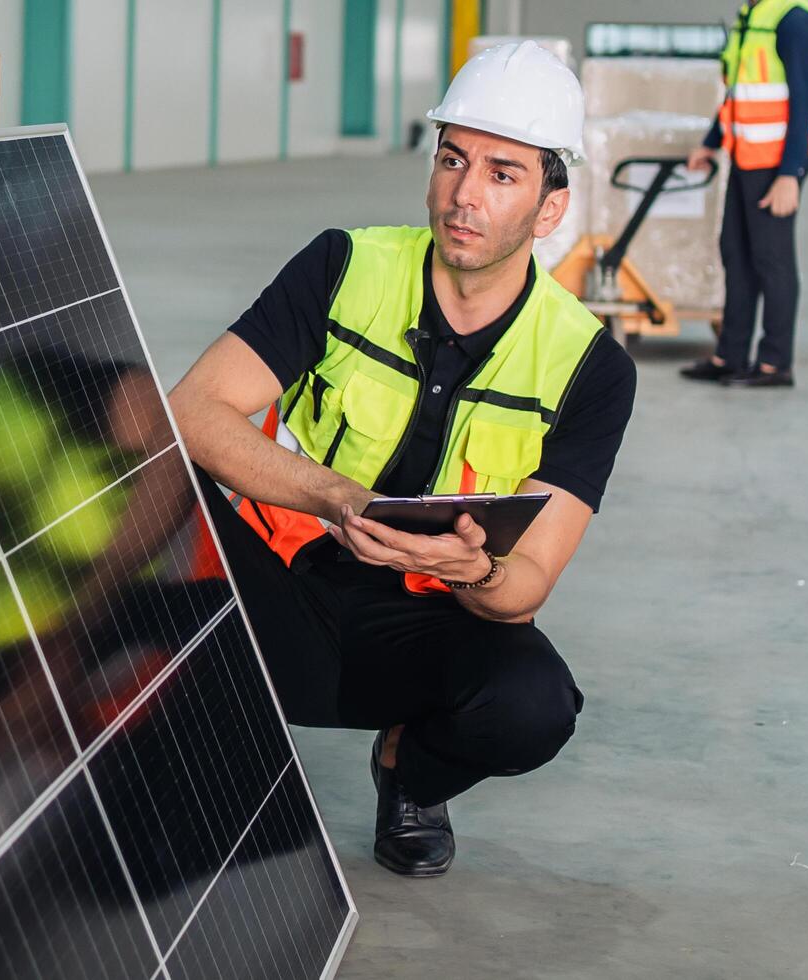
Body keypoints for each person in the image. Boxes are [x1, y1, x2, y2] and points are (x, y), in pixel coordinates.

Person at [168, 41, 636, 878]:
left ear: (550, 205)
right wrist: (332, 496)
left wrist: (471, 571)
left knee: (534, 706)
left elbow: (528, 580)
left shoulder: (588, 364)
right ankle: (142, 739)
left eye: (503, 173)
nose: (464, 194)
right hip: (282, 578)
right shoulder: (344, 266)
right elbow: (194, 410)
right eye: (453, 158)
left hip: (423, 620)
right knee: (136, 471)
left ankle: (407, 772)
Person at [681, 0, 808, 388]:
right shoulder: (753, 14)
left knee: (770, 259)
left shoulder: (794, 19)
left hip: (777, 160)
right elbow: (738, 91)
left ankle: (775, 363)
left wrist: (790, 174)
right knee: (736, 252)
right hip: (747, 155)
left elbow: (804, 100)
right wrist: (711, 142)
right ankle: (730, 355)